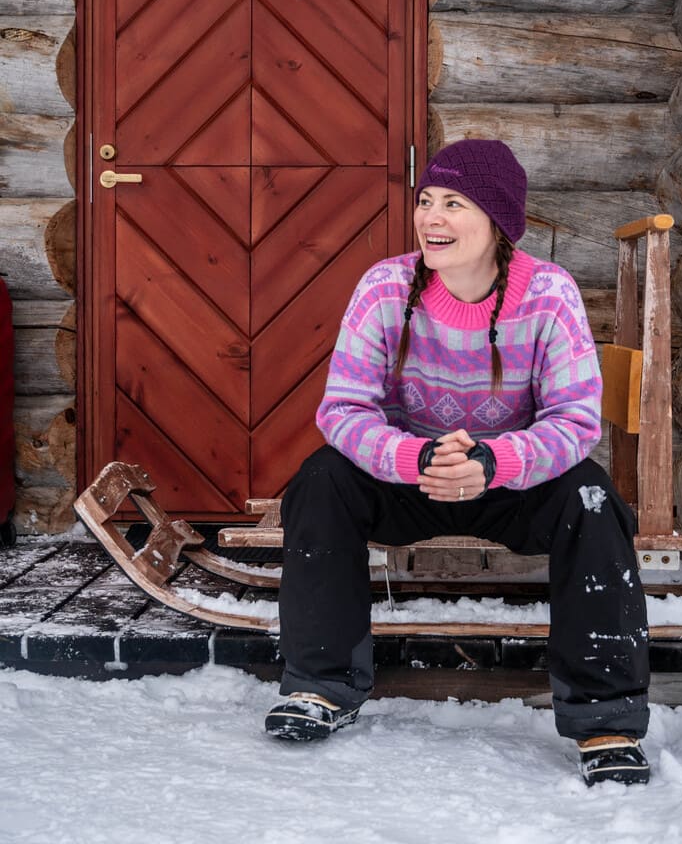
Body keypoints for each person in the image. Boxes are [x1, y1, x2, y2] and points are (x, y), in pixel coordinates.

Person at [265, 139, 650, 786]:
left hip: (511, 484)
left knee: (590, 497)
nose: (431, 217)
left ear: (497, 221)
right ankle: (321, 685)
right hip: (412, 477)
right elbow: (343, 411)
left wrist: (493, 462)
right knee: (321, 480)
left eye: (453, 203)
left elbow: (575, 420)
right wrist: (415, 456)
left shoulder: (549, 294)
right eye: (424, 201)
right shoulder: (386, 287)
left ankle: (606, 717)